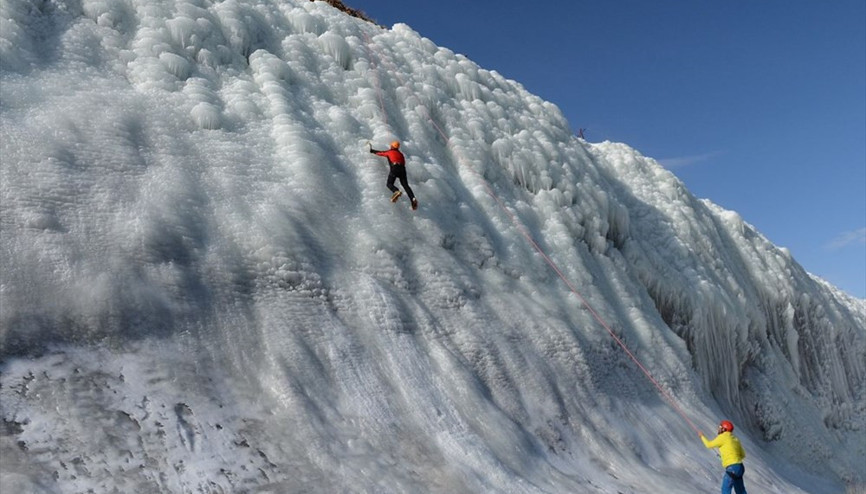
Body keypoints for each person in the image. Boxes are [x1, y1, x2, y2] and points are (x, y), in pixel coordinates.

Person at [701, 420, 748, 494]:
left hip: (732, 468)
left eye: (720, 427)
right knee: (740, 490)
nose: (719, 429)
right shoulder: (735, 439)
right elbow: (742, 455)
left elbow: (709, 445)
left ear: (724, 429)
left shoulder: (722, 437)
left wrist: (702, 436)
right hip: (740, 467)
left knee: (725, 489)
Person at [370, 140, 418, 210]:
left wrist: (372, 151)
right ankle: (413, 199)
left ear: (392, 146)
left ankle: (396, 191)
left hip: (395, 168)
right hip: (403, 170)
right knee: (405, 185)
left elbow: (381, 153)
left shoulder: (389, 152)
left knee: (389, 184)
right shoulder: (401, 154)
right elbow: (403, 162)